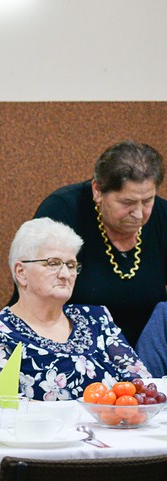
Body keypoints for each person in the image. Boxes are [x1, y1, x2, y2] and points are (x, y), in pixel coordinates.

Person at [0, 218, 148, 399]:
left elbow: (141, 386)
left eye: (71, 265)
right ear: (21, 272)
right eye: (53, 263)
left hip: (113, 426)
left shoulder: (96, 319)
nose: (65, 274)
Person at [30, 140, 167, 346]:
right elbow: (39, 298)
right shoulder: (62, 211)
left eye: (148, 200)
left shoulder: (162, 217)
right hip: (71, 348)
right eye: (127, 203)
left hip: (146, 356)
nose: (139, 214)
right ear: (97, 190)